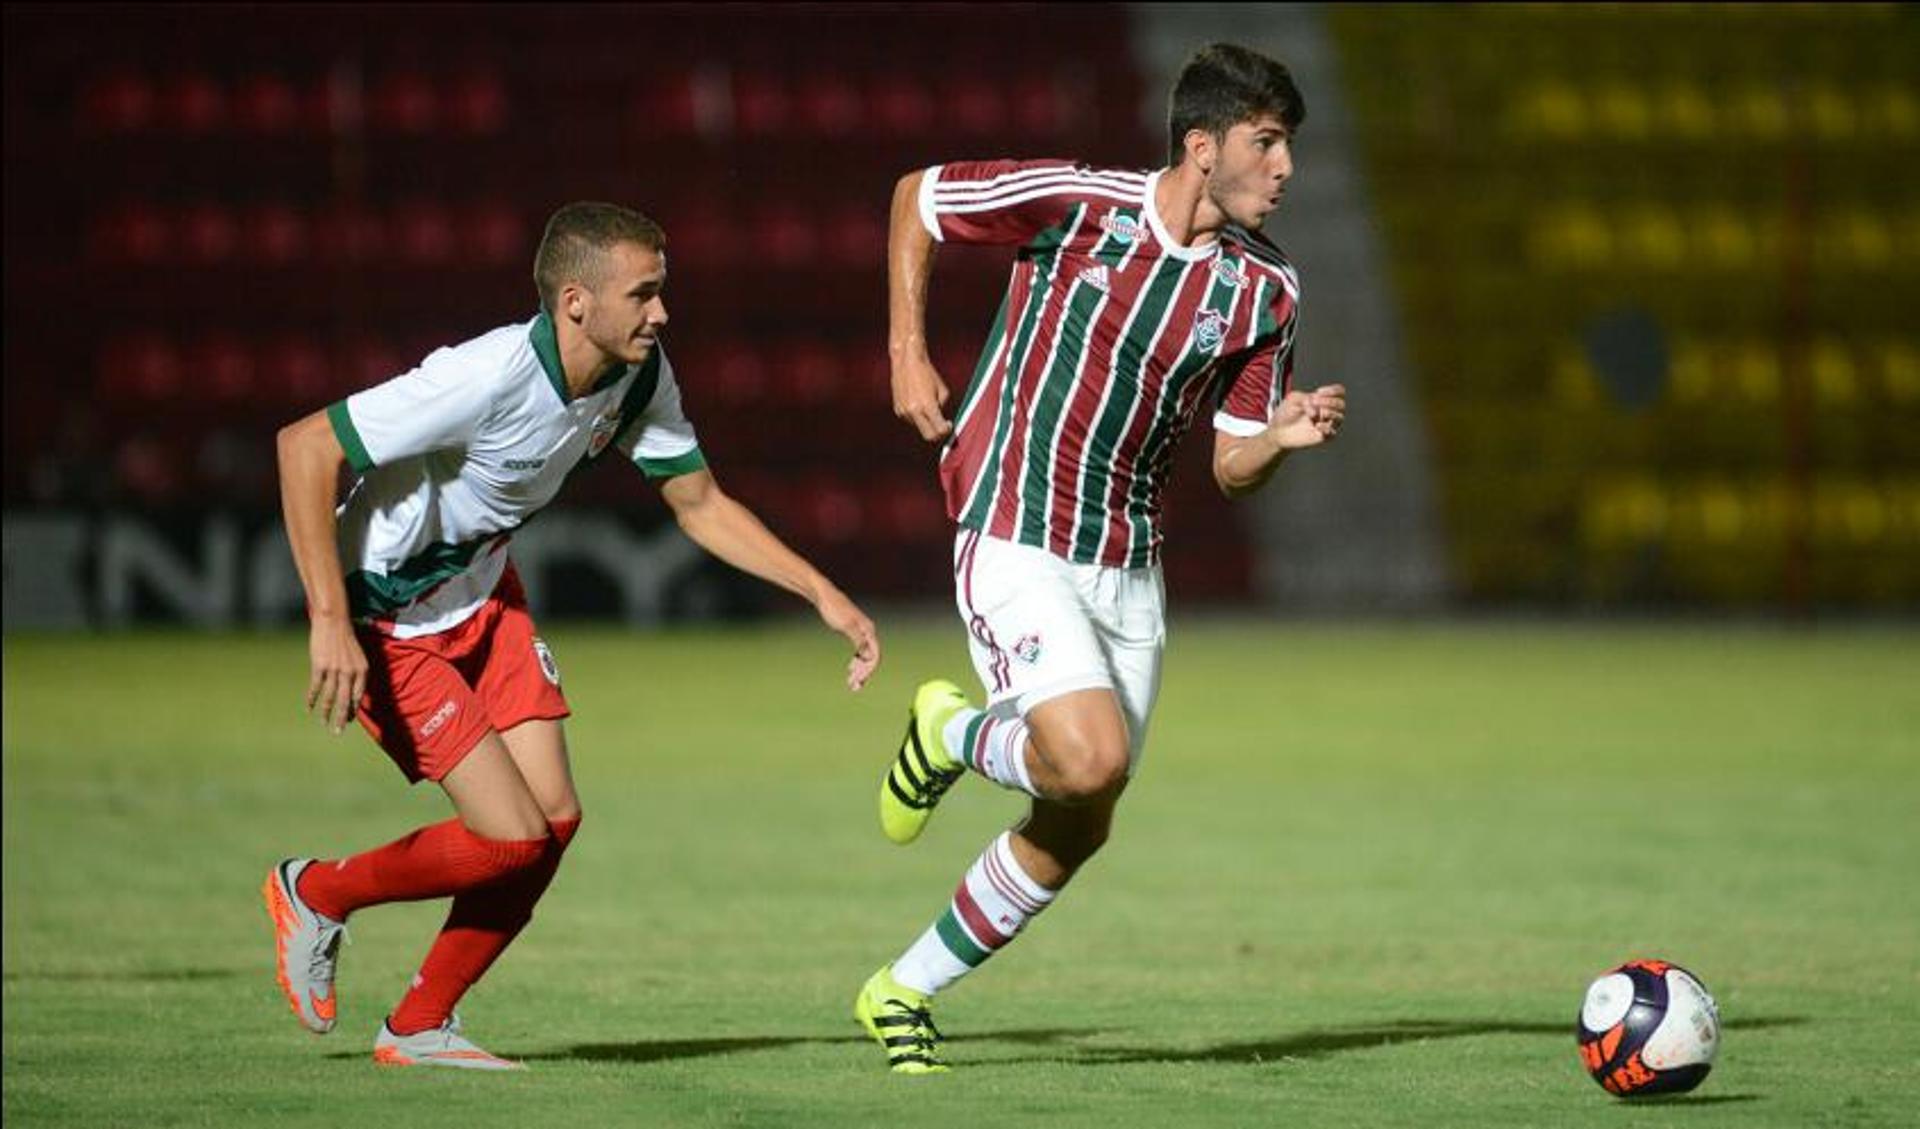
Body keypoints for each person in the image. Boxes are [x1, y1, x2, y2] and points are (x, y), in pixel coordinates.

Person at [266, 201, 881, 1070]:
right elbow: (303, 448)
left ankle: (419, 1025)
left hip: (486, 602)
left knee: (554, 820)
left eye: (661, 291)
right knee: (507, 834)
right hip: (389, 618)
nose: (662, 312)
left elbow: (698, 501)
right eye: (645, 294)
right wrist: (328, 618)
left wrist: (820, 591)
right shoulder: (481, 376)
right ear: (575, 301)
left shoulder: (636, 375)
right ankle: (317, 890)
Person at [854, 43, 1346, 1074]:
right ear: (1203, 147)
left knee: (1082, 821)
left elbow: (1230, 470)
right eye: (1268, 142)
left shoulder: (1267, 292)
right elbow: (918, 198)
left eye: (1290, 144)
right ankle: (952, 735)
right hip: (1013, 518)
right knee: (1089, 757)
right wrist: (905, 347)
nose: (1286, 166)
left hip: (1128, 560)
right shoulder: (1082, 204)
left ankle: (901, 987)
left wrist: (1279, 440)